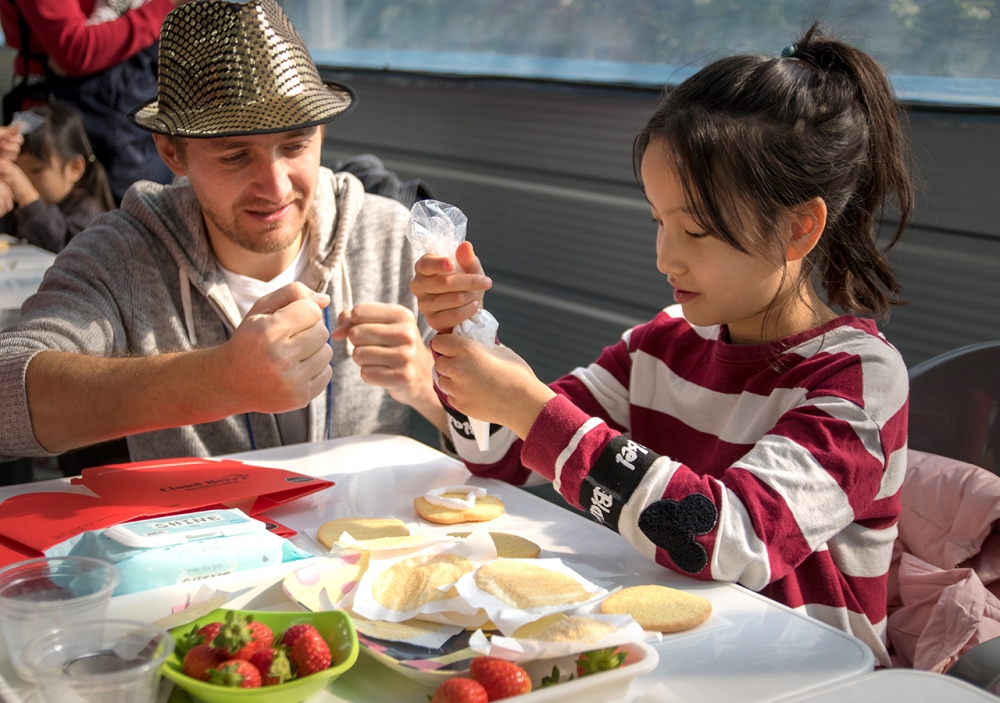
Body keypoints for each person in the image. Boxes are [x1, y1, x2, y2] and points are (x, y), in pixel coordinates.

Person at [412, 24, 912, 666]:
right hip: (666, 660)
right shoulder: (662, 345)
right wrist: (465, 339)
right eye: (658, 220)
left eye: (697, 230)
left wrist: (529, 408)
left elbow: (725, 538)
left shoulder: (859, 379)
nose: (664, 256)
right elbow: (499, 458)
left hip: (804, 676)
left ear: (799, 227)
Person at [0, 0, 447, 464]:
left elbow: (512, 451)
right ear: (172, 153)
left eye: (295, 145)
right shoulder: (125, 251)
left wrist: (426, 387)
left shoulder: (391, 236)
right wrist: (217, 381)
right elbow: (6, 394)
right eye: (235, 156)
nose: (275, 186)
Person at [0, 0, 195, 202]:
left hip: (134, 124)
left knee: (142, 216)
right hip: (60, 130)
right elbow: (74, 48)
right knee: (64, 226)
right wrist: (166, 5)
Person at [0, 103, 115, 253]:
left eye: (36, 170)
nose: (23, 180)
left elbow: (64, 249)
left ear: (74, 167)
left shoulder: (87, 209)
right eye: (18, 171)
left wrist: (28, 197)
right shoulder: (15, 206)